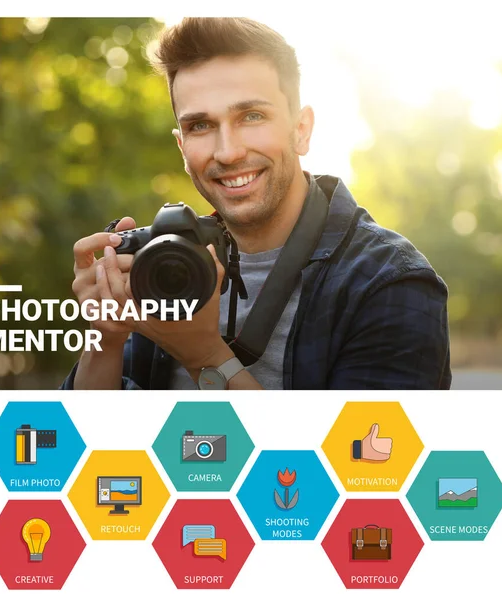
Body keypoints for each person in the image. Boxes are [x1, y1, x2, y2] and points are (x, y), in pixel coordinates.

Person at [62, 17, 451, 391]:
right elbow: (81, 449)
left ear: (301, 130)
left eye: (251, 116)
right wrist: (105, 338)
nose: (228, 152)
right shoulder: (160, 268)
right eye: (200, 125)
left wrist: (204, 355)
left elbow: (360, 458)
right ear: (183, 148)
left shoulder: (389, 283)